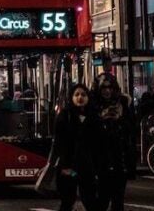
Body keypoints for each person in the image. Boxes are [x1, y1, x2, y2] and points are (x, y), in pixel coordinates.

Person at [92, 73, 136, 211]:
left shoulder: (123, 105)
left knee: (118, 201)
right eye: (104, 88)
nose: (107, 91)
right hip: (100, 161)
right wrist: (101, 118)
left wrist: (120, 119)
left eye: (110, 87)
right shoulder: (93, 106)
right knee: (101, 200)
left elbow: (131, 130)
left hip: (119, 160)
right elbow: (88, 132)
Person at [53, 83, 99, 211]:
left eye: (83, 95)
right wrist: (64, 166)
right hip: (69, 167)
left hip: (87, 167)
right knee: (67, 200)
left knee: (90, 200)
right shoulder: (65, 116)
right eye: (76, 95)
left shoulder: (93, 116)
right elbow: (59, 143)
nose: (80, 98)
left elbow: (98, 143)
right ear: (71, 97)